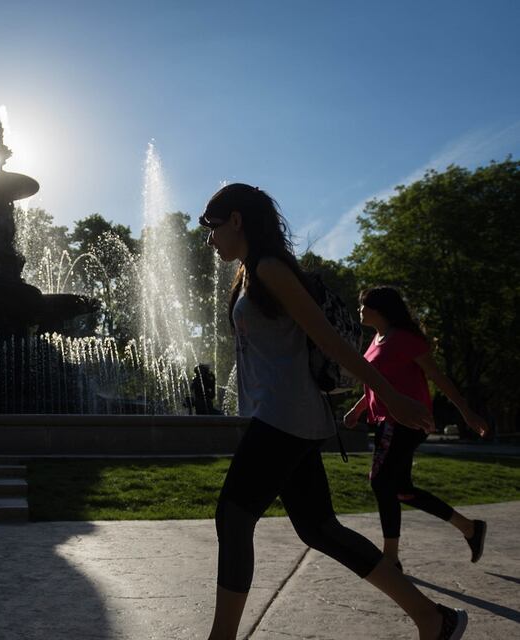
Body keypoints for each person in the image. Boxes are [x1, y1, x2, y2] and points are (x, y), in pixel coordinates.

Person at [200, 183, 466, 640]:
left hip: (285, 417)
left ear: (237, 220)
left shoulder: (269, 268)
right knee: (319, 529)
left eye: (212, 226)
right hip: (290, 418)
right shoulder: (247, 274)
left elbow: (330, 340)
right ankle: (432, 618)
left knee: (233, 517)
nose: (209, 238)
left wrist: (391, 397)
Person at [344, 286, 489, 572]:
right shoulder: (376, 339)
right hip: (388, 421)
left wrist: (467, 412)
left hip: (407, 421)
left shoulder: (405, 339)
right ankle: (469, 528)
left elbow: (438, 376)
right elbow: (378, 383)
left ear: (378, 309)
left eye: (363, 305)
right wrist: (358, 410)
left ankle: (391, 558)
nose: (359, 309)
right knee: (400, 489)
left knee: (381, 482)